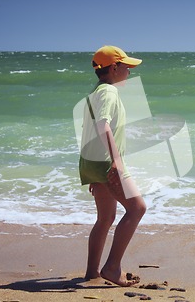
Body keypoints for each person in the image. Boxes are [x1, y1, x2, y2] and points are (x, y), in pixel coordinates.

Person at [79, 45, 147, 286]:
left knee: (105, 218)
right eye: (126, 66)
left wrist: (93, 170)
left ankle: (92, 272)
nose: (129, 70)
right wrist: (116, 162)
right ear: (114, 67)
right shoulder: (108, 92)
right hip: (106, 162)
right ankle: (112, 267)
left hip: (93, 162)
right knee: (137, 208)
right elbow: (102, 126)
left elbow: (88, 129)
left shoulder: (95, 92)